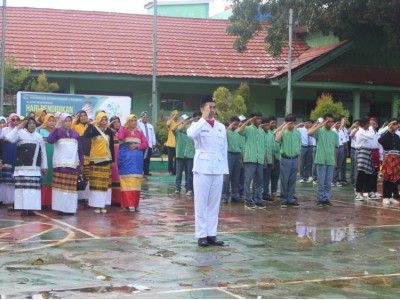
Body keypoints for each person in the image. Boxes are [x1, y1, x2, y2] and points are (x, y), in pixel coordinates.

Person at [187, 97, 228, 247]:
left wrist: (225, 171)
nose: (212, 110)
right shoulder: (196, 125)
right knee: (201, 203)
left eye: (214, 107)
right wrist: (203, 119)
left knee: (214, 204)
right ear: (203, 108)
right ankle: (201, 235)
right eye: (209, 107)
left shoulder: (221, 127)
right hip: (202, 168)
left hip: (217, 168)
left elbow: (224, 150)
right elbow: (190, 134)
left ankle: (212, 234)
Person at [6, 117, 48, 216]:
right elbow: (8, 138)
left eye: (33, 123)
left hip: (34, 169)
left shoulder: (38, 136)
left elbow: (43, 153)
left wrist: (44, 166)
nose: (32, 125)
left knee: (33, 191)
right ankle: (23, 209)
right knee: (22, 190)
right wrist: (18, 127)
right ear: (26, 124)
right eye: (29, 123)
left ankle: (31, 209)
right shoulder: (20, 134)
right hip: (22, 168)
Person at [47, 113, 84, 215]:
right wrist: (56, 127)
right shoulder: (57, 133)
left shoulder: (75, 134)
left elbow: (80, 150)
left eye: (69, 121)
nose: (67, 123)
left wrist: (81, 164)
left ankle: (70, 209)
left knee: (71, 189)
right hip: (60, 165)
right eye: (65, 121)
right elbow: (50, 140)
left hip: (72, 165)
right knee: (61, 188)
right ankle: (61, 208)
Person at [84, 112, 115, 213]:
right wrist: (92, 124)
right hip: (96, 160)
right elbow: (86, 135)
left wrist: (113, 160)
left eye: (106, 120)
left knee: (104, 184)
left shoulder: (109, 131)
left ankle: (103, 205)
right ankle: (96, 206)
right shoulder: (94, 129)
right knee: (96, 184)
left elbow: (111, 146)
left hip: (106, 160)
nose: (104, 122)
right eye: (102, 119)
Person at [118, 114, 148, 212]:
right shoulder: (124, 130)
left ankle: (135, 204)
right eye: (131, 120)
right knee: (126, 182)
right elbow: (120, 137)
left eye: (135, 120)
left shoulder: (140, 132)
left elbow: (145, 144)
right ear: (127, 122)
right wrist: (122, 126)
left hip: (137, 162)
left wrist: (136, 146)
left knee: (136, 183)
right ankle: (127, 204)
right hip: (126, 162)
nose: (134, 122)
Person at [308, 113, 338, 207]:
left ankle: (326, 198)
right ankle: (320, 199)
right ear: (324, 121)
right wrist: (319, 125)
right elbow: (309, 133)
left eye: (331, 121)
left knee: (328, 182)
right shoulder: (319, 131)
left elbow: (334, 148)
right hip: (321, 159)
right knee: (321, 181)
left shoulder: (334, 134)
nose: (330, 123)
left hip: (330, 160)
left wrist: (335, 161)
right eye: (328, 121)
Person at [274, 115, 301, 208]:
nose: (292, 125)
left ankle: (290, 199)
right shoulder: (283, 132)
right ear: (286, 123)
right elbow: (277, 139)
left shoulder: (297, 133)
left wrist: (298, 163)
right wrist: (283, 127)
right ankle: (284, 199)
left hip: (294, 159)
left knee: (292, 180)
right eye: (290, 123)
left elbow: (299, 148)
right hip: (285, 159)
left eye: (293, 123)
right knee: (284, 180)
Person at [354, 117, 379, 201]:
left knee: (368, 173)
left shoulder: (364, 131)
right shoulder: (361, 132)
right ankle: (358, 193)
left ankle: (367, 191)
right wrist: (371, 128)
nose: (369, 125)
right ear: (364, 124)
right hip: (362, 152)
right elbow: (371, 136)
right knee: (361, 173)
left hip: (367, 152)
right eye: (368, 123)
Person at [378, 118, 400, 205]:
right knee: (387, 178)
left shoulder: (397, 136)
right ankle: (385, 197)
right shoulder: (386, 135)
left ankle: (390, 196)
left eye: (397, 124)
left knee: (394, 179)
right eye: (394, 124)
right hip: (388, 158)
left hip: (397, 158)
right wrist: (388, 130)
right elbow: (380, 140)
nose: (396, 126)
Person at [0, 113, 20, 208]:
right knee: (8, 180)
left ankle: (16, 201)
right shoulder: (4, 130)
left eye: (17, 119)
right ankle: (8, 201)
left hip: (17, 154)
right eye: (13, 119)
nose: (15, 121)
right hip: (7, 155)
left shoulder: (21, 131)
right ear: (10, 120)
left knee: (17, 179)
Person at [72, 110, 91, 205]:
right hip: (79, 156)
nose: (83, 117)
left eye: (85, 115)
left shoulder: (90, 127)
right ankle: (79, 198)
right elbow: (70, 127)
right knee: (79, 177)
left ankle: (87, 198)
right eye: (81, 116)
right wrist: (75, 119)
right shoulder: (75, 126)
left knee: (88, 178)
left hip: (90, 157)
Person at [180, 111, 201, 197]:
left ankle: (197, 189)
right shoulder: (189, 127)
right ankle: (189, 189)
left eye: (199, 118)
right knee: (190, 173)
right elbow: (180, 129)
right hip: (190, 154)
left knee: (199, 173)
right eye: (197, 118)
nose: (198, 119)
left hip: (199, 154)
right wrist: (189, 121)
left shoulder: (202, 127)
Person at [38, 114, 56, 208]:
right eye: (49, 120)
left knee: (54, 178)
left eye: (53, 120)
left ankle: (53, 202)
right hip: (45, 157)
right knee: (45, 177)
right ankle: (44, 202)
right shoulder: (41, 131)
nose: (52, 122)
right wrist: (42, 125)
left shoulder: (57, 131)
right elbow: (35, 132)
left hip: (55, 158)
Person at [222, 116, 242, 203]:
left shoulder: (238, 132)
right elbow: (222, 139)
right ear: (230, 123)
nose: (236, 126)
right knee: (227, 177)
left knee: (236, 177)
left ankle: (235, 195)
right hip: (228, 155)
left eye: (237, 125)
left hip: (237, 155)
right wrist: (229, 128)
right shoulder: (226, 132)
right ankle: (225, 196)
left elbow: (240, 146)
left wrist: (241, 158)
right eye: (234, 124)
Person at [138, 111, 156, 176]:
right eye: (144, 117)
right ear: (141, 117)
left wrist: (154, 142)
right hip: (142, 144)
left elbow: (153, 134)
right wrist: (139, 120)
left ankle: (146, 171)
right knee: (141, 158)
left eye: (146, 117)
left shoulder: (150, 126)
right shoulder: (139, 124)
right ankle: (141, 171)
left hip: (149, 145)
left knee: (147, 159)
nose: (145, 118)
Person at [261, 117, 275, 202]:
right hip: (262, 160)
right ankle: (260, 194)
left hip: (269, 159)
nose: (267, 126)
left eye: (267, 125)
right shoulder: (260, 133)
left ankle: (265, 193)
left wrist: (272, 161)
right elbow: (262, 148)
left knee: (267, 178)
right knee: (260, 179)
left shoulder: (270, 134)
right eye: (265, 125)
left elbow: (272, 149)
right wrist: (264, 159)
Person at [172, 118, 188, 194]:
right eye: (184, 121)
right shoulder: (178, 131)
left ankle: (188, 188)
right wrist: (180, 122)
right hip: (180, 154)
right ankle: (177, 188)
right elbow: (173, 129)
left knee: (188, 173)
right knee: (179, 173)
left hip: (188, 154)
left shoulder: (189, 130)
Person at [109, 116, 122, 205]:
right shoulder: (109, 133)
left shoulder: (122, 133)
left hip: (122, 160)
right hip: (113, 160)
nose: (117, 123)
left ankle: (120, 200)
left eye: (118, 122)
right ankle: (113, 200)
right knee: (114, 178)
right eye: (114, 122)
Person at [331, 117, 347, 187]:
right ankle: (332, 180)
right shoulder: (332, 131)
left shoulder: (341, 131)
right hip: (334, 148)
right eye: (337, 123)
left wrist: (343, 151)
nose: (339, 124)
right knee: (334, 165)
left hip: (340, 148)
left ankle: (336, 180)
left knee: (339, 165)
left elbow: (343, 142)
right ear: (334, 124)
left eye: (339, 123)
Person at [269, 116, 281, 197]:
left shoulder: (276, 131)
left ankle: (274, 190)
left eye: (275, 123)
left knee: (276, 175)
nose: (274, 124)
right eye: (272, 122)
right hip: (269, 156)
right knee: (267, 175)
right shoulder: (266, 131)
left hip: (277, 156)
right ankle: (265, 191)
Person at [165, 110, 179, 175]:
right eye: (175, 114)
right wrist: (173, 118)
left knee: (177, 159)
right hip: (170, 144)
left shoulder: (179, 122)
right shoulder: (170, 122)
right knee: (170, 159)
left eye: (177, 114)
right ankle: (170, 170)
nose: (177, 115)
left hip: (177, 144)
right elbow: (167, 124)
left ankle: (175, 171)